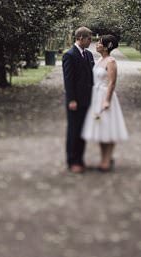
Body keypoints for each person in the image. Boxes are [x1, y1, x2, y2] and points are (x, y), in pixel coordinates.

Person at [81, 34, 128, 172]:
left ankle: (106, 160)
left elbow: (112, 82)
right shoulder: (100, 59)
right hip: (95, 96)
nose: (96, 44)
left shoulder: (111, 61)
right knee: (101, 129)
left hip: (105, 96)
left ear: (107, 46)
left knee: (108, 128)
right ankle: (104, 158)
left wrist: (106, 100)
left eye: (100, 42)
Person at [62, 26, 94, 173]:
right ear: (80, 38)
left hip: (87, 99)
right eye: (89, 39)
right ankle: (72, 160)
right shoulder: (69, 55)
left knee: (83, 131)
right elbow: (68, 80)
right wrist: (71, 99)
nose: (90, 41)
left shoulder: (88, 55)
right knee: (74, 131)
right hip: (75, 101)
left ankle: (80, 159)